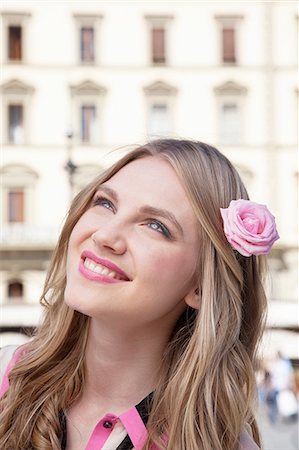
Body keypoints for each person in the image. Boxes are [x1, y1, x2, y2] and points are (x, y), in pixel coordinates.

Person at [0, 139, 279, 450]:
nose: (105, 235)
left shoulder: (221, 445)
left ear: (201, 285)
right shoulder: (7, 377)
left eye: (156, 226)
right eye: (105, 203)